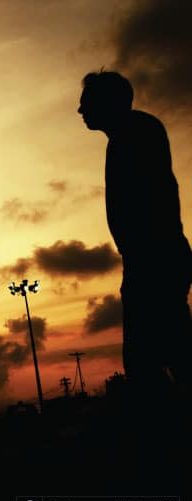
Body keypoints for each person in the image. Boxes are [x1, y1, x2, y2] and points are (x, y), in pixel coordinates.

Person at [78, 71, 192, 398]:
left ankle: (166, 436)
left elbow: (151, 203)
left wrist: (145, 257)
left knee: (149, 360)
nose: (80, 110)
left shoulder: (134, 135)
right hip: (154, 258)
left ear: (106, 102)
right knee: (169, 351)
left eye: (86, 103)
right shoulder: (135, 132)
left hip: (153, 260)